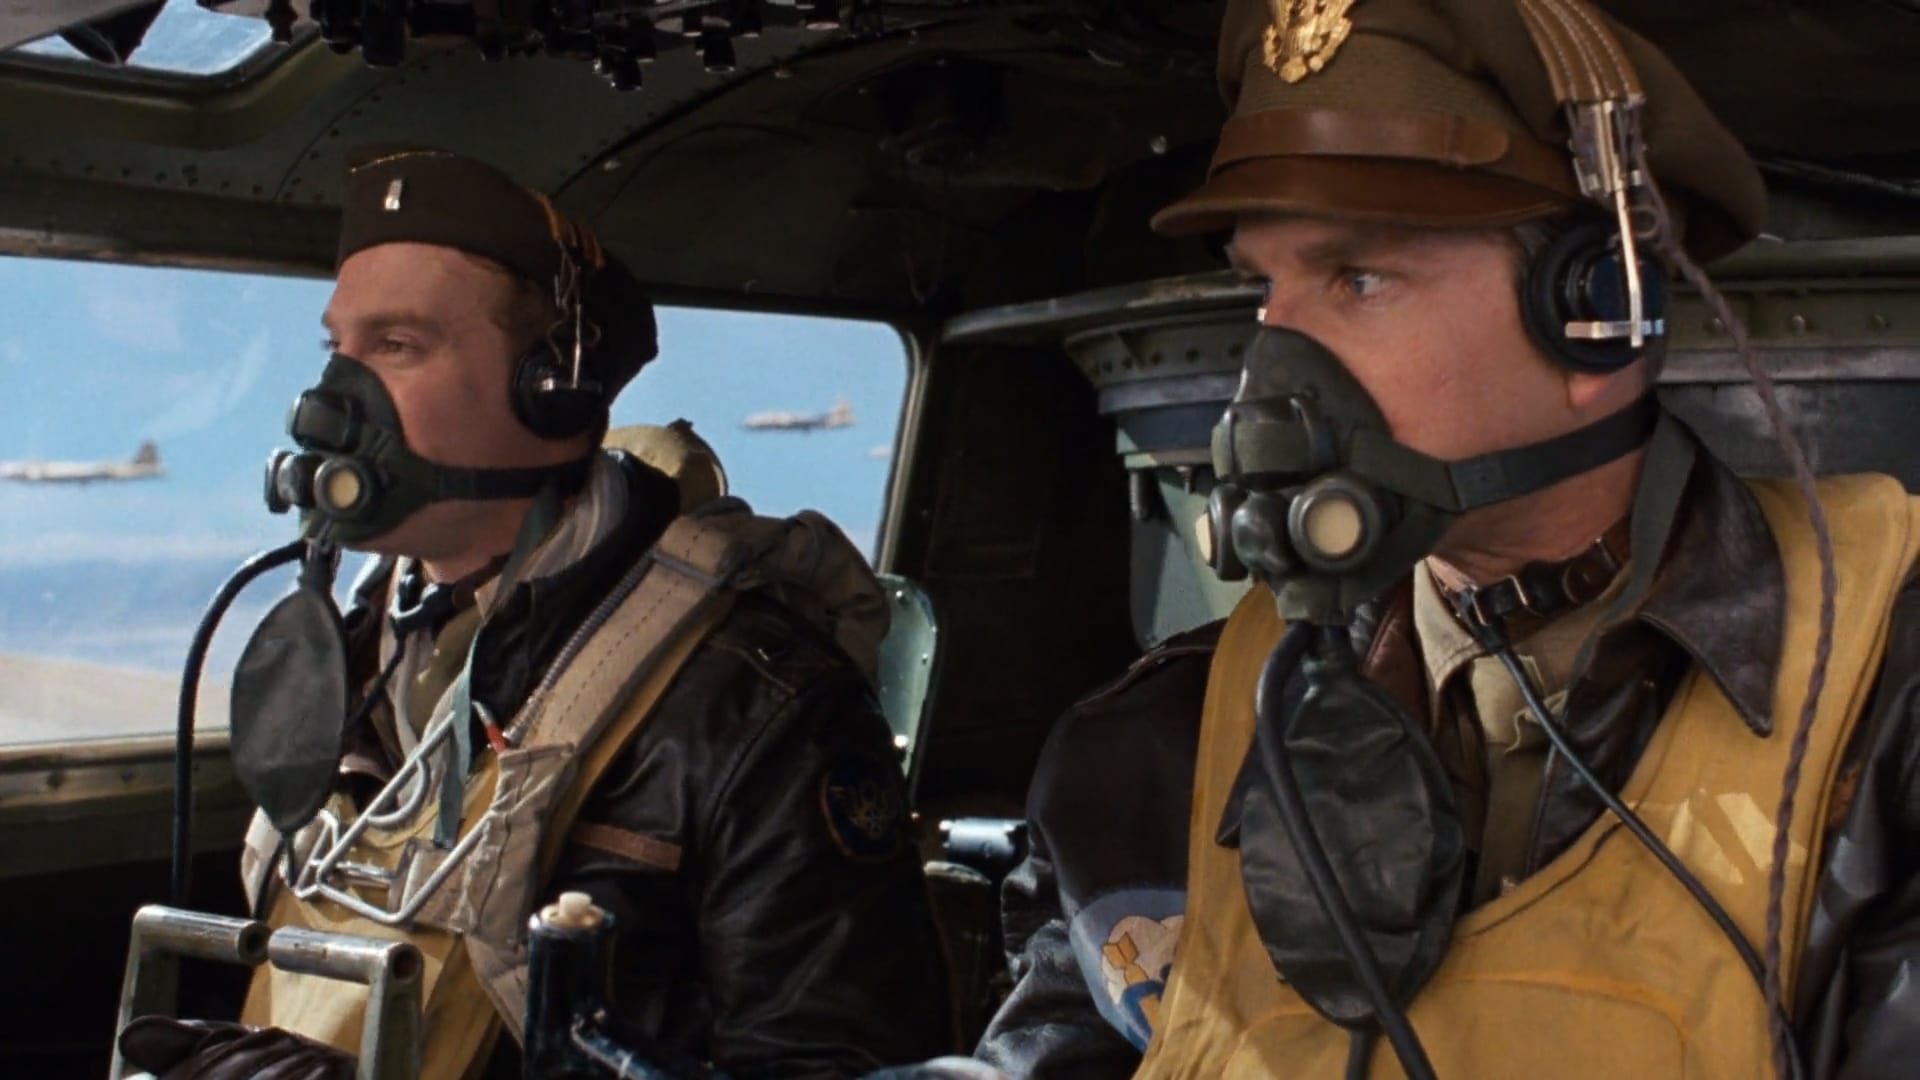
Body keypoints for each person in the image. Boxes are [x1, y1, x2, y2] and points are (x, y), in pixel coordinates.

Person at [977, 1, 1920, 1077]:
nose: (1268, 365)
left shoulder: (1884, 729)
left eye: (1358, 278)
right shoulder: (1151, 749)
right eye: (1263, 287)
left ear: (1597, 314)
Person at [117, 147, 953, 1080]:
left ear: (553, 391)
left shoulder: (758, 710)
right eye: (337, 349)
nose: (325, 404)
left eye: (397, 346)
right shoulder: (362, 651)